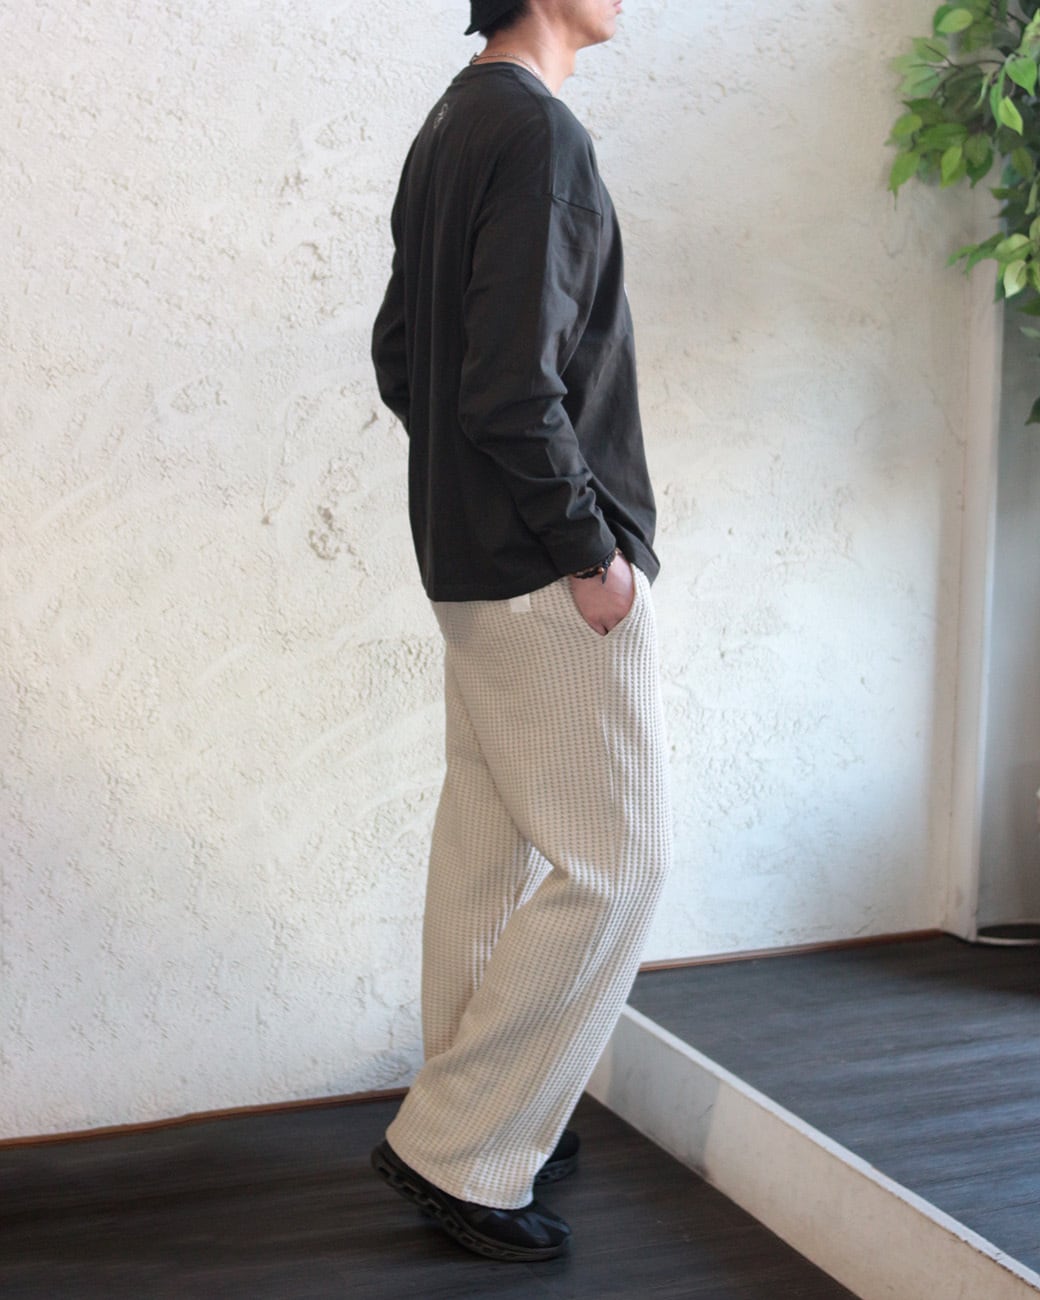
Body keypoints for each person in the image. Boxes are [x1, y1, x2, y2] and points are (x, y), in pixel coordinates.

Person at [369, 0, 672, 1263]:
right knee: (620, 860)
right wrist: (588, 551)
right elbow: (508, 385)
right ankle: (462, 1144)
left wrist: (472, 496)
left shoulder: (451, 124)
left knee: (487, 852)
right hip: (548, 571)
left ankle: (486, 1110)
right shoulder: (537, 134)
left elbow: (402, 356)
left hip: (467, 558)